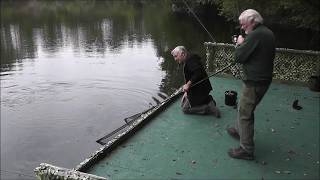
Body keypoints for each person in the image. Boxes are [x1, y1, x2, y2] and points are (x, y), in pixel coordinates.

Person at [227, 9, 276, 160]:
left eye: (244, 24)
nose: (242, 27)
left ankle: (246, 150)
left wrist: (240, 43)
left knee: (245, 113)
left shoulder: (256, 35)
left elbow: (239, 57)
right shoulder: (266, 32)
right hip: (262, 80)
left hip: (255, 81)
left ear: (253, 21)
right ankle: (239, 130)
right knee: (244, 107)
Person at [171, 46, 221, 118]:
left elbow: (198, 72)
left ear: (182, 53)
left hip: (200, 90)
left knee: (185, 109)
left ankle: (208, 109)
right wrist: (186, 92)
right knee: (185, 101)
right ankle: (210, 101)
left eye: (176, 56)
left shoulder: (190, 61)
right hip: (202, 88)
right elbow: (190, 76)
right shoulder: (189, 57)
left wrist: (187, 85)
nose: (175, 59)